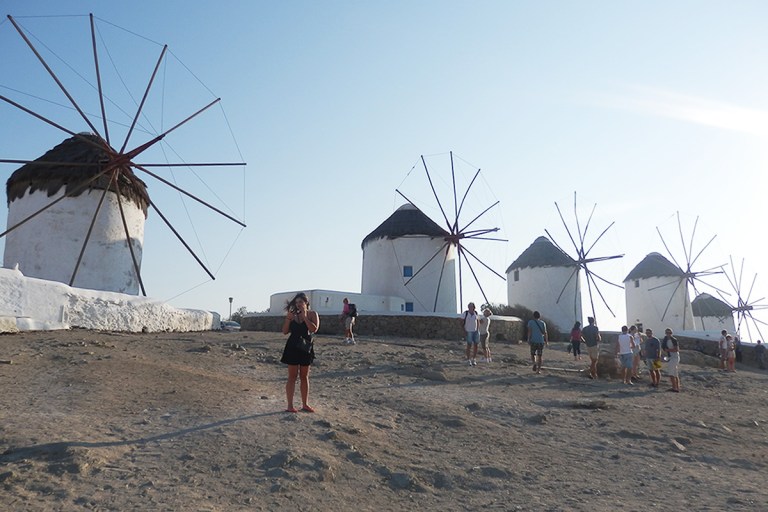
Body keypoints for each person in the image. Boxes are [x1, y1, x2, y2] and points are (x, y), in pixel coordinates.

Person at [281, 292, 320, 413]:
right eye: (297, 302)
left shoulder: (312, 314)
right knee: (292, 376)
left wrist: (304, 317)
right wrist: (288, 318)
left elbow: (314, 329)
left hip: (305, 346)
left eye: (301, 302)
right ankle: (290, 405)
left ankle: (305, 404)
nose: (298, 304)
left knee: (304, 376)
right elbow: (285, 331)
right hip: (292, 346)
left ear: (306, 303)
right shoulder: (292, 314)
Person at [661, 328, 681, 392]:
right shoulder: (665, 339)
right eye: (667, 333)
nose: (668, 334)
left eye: (669, 333)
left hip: (674, 357)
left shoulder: (674, 340)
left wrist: (668, 350)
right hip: (670, 356)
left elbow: (676, 349)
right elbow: (663, 347)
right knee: (675, 373)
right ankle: (677, 387)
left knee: (671, 373)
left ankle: (674, 387)